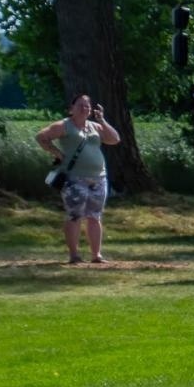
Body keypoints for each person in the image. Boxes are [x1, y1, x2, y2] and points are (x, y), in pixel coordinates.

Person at [35, 93, 121, 265]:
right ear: (71, 109)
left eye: (87, 106)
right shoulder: (64, 126)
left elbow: (114, 139)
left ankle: (96, 255)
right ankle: (74, 255)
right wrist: (56, 153)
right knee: (75, 215)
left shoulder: (95, 127)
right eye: (80, 105)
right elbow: (41, 137)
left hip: (99, 178)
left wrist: (102, 120)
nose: (84, 108)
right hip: (75, 178)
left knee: (94, 216)